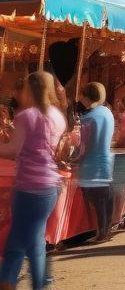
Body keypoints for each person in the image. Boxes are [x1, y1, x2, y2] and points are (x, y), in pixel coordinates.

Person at [0, 71, 67, 290]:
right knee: (35, 239)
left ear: (30, 89)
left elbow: (13, 148)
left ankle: (10, 281)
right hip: (49, 186)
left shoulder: (26, 116)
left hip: (29, 186)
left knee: (17, 241)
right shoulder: (57, 116)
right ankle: (39, 283)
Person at [76, 82, 114, 244]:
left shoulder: (88, 118)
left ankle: (101, 233)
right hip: (106, 159)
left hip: (92, 163)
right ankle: (106, 230)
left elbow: (85, 145)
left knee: (97, 200)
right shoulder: (107, 112)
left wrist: (77, 159)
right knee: (105, 198)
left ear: (86, 97)